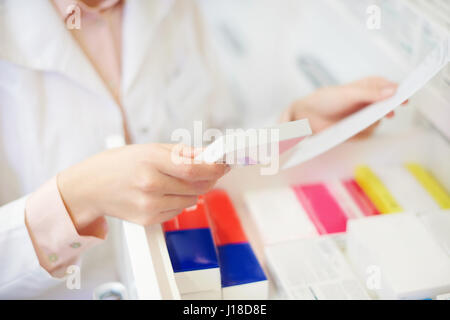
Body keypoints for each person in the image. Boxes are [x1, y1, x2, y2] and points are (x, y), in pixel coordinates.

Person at [0, 0, 400, 298]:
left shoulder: (172, 8)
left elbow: (211, 146)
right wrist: (75, 198)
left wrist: (298, 127)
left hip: (187, 278)